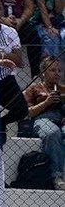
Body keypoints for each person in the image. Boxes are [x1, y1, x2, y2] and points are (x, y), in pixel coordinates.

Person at [24, 57, 65, 189]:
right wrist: (46, 102)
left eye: (59, 70)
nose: (57, 73)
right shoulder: (34, 89)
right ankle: (56, 175)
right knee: (53, 133)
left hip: (61, 119)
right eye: (53, 70)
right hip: (42, 119)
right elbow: (28, 112)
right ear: (43, 72)